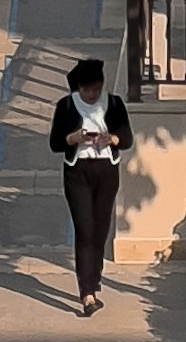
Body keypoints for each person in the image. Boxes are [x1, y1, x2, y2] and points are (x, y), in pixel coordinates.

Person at [48, 57, 134, 314]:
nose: (92, 94)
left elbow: (127, 138)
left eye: (96, 89)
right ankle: (87, 292)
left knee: (100, 230)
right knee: (84, 230)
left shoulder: (114, 103)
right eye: (87, 90)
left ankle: (94, 277)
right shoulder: (66, 105)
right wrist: (73, 138)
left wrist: (113, 138)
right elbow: (55, 143)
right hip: (78, 172)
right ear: (79, 88)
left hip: (106, 171)